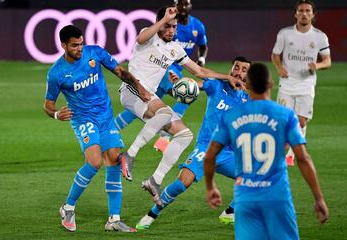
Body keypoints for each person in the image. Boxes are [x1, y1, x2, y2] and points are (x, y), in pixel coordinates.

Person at [119, 6, 243, 205]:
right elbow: (140, 40)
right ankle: (129, 155)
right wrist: (162, 20)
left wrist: (227, 76)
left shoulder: (175, 48)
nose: (171, 31)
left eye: (174, 27)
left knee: (185, 134)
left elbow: (199, 72)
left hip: (149, 98)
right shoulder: (147, 35)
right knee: (164, 113)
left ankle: (155, 180)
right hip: (132, 90)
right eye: (167, 26)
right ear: (159, 24)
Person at [43, 25, 150, 232]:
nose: (80, 48)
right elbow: (47, 104)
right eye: (74, 45)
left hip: (105, 118)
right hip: (83, 119)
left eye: (81, 43)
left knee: (113, 159)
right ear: (63, 45)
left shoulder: (95, 53)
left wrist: (140, 88)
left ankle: (114, 219)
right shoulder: (56, 73)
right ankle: (68, 207)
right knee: (94, 162)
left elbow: (120, 71)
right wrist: (56, 114)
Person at [204, 63, 329, 240]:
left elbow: (210, 155)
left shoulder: (231, 116)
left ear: (249, 85)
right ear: (270, 84)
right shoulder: (285, 115)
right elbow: (302, 158)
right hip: (277, 196)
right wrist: (319, 197)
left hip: (245, 199)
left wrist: (210, 187)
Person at [135, 57, 251, 229]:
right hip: (207, 148)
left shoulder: (248, 98)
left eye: (244, 70)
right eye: (236, 68)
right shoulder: (217, 85)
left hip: (228, 152)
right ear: (230, 69)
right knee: (183, 183)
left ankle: (229, 213)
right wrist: (180, 83)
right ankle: (152, 214)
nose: (239, 72)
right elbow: (196, 85)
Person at [114, 0, 208, 152]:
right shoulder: (165, 25)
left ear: (191, 6)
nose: (183, 7)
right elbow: (154, 46)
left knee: (143, 106)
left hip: (172, 69)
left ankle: (112, 129)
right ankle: (164, 137)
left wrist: (202, 59)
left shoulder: (197, 26)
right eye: (180, 4)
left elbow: (203, 46)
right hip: (165, 70)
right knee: (187, 94)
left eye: (186, 4)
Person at [271, 0, 331, 165]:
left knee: (302, 121)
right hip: (287, 84)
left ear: (313, 15)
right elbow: (275, 55)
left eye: (307, 11)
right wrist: (279, 68)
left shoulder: (320, 36)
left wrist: (317, 65)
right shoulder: (285, 34)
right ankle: (281, 154)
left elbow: (328, 61)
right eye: (301, 10)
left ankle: (291, 154)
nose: (304, 13)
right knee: (283, 121)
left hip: (306, 85)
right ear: (295, 14)